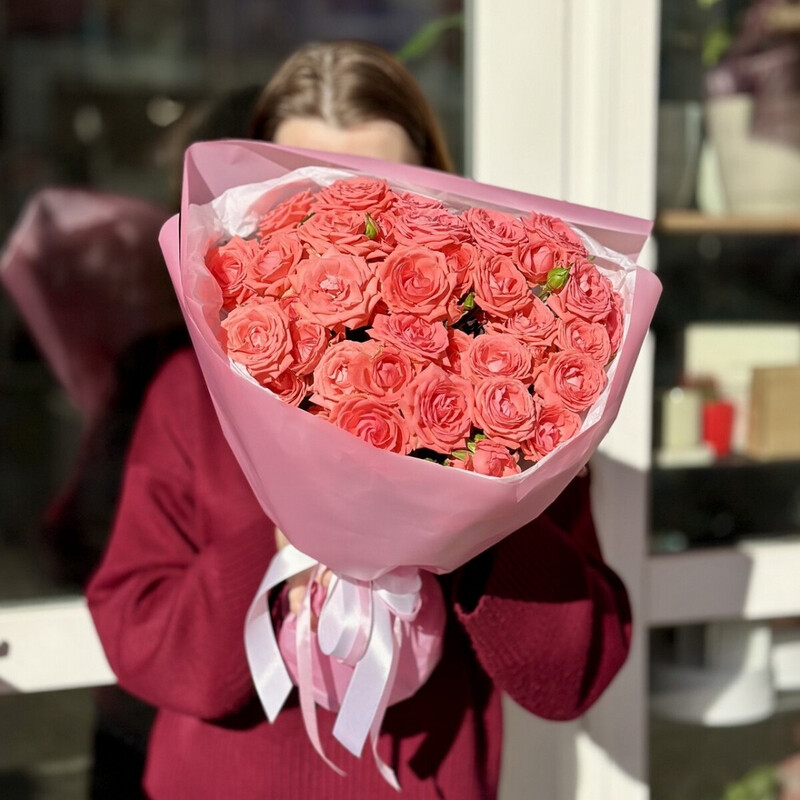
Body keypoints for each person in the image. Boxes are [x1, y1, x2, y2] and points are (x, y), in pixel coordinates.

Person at [85, 39, 632, 800]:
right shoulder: (190, 394)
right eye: (309, 193)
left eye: (379, 192)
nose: (346, 222)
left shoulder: (519, 398)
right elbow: (137, 633)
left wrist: (471, 503)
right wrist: (283, 539)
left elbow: (575, 672)